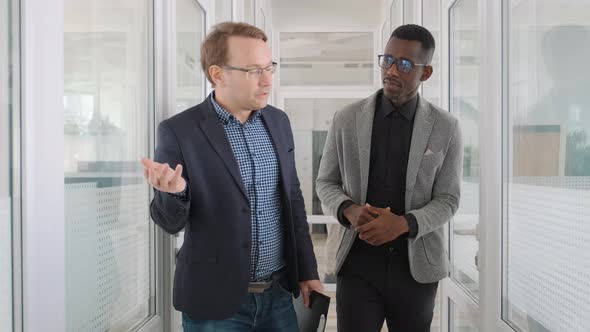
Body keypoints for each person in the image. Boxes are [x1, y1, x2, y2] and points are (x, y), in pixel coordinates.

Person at [141, 22, 322, 332]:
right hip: (214, 304)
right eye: (254, 71)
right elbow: (168, 223)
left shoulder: (279, 122)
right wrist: (175, 192)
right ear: (218, 74)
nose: (267, 81)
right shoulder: (180, 131)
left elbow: (292, 201)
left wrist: (308, 271)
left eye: (270, 68)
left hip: (278, 295)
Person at [316, 24, 463, 331]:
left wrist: (403, 224)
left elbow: (449, 199)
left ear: (426, 72)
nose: (392, 70)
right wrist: (350, 210)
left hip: (416, 268)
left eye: (405, 64)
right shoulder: (346, 119)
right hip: (357, 266)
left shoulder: (446, 127)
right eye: (388, 59)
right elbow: (326, 183)